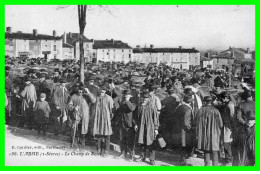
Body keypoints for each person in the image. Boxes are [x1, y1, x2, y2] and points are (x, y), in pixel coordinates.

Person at [196, 96, 223, 166]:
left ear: (204, 102)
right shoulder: (216, 111)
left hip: (204, 134)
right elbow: (221, 124)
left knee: (206, 151)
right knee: (215, 151)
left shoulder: (200, 111)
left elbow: (196, 123)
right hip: (214, 134)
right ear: (211, 102)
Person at [135, 90, 159, 166]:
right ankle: (142, 156)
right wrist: (135, 124)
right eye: (143, 98)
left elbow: (155, 118)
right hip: (141, 126)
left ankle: (152, 159)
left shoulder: (152, 107)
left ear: (149, 98)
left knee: (151, 142)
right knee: (141, 141)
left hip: (150, 127)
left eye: (146, 98)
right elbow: (136, 117)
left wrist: (156, 128)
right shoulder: (139, 106)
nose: (145, 99)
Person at [233, 90, 255, 166]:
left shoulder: (241, 105)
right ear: (251, 96)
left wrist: (245, 123)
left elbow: (238, 117)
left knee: (243, 148)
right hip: (254, 127)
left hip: (244, 128)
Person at [92, 86, 114, 157]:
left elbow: (112, 110)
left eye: (103, 92)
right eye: (100, 91)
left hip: (106, 118)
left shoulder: (108, 98)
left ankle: (106, 150)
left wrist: (109, 118)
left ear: (105, 92)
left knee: (107, 134)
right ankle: (99, 149)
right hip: (98, 118)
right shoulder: (97, 98)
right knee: (99, 134)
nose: (101, 93)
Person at [173, 95, 194, 165]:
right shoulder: (188, 109)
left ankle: (182, 161)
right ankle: (184, 162)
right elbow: (186, 122)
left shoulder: (179, 107)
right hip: (184, 131)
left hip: (178, 129)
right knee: (185, 145)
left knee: (181, 146)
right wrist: (190, 129)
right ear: (190, 102)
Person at [116, 89, 137, 160]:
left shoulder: (133, 101)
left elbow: (132, 108)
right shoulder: (122, 101)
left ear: (130, 95)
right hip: (122, 122)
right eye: (125, 95)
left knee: (130, 139)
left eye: (127, 95)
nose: (125, 96)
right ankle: (123, 153)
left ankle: (131, 154)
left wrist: (127, 101)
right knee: (122, 139)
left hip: (130, 123)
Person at [220, 92, 235, 166]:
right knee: (225, 142)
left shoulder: (230, 105)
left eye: (223, 98)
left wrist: (231, 127)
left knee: (227, 143)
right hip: (225, 126)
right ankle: (227, 158)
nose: (222, 100)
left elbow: (232, 117)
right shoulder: (226, 104)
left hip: (228, 127)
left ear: (226, 98)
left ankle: (229, 160)